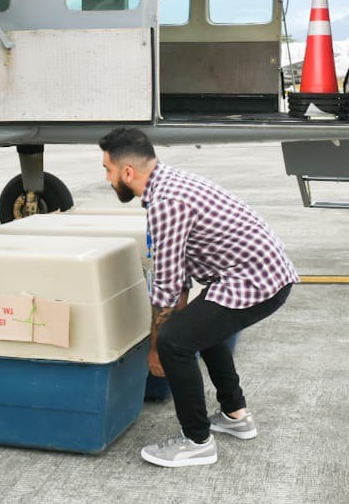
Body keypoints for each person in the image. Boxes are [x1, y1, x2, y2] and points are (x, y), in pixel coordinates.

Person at [98, 127, 298, 468]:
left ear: (127, 172)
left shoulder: (166, 202)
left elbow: (166, 286)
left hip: (256, 280)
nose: (106, 178)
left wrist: (157, 348)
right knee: (196, 329)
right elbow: (180, 279)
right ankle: (236, 415)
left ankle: (197, 441)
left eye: (107, 169)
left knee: (177, 341)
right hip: (259, 273)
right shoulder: (170, 182)